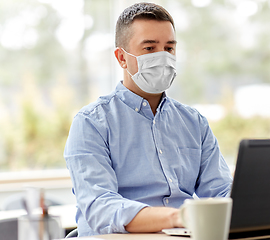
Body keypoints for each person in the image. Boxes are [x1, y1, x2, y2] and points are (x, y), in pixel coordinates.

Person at [64, 2, 232, 237]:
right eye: (150, 48)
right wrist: (180, 217)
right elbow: (100, 207)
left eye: (169, 48)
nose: (162, 57)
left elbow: (222, 191)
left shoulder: (194, 123)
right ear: (122, 58)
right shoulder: (91, 123)